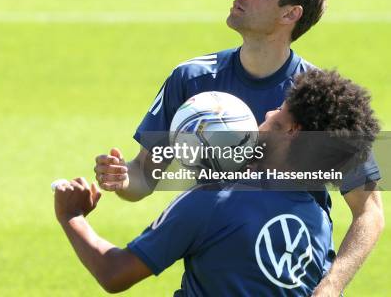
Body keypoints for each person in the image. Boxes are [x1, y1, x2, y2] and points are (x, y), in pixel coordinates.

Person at [93, 0, 384, 295]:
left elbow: (369, 211)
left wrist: (332, 284)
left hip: (284, 276)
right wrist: (122, 177)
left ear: (290, 14)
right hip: (213, 271)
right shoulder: (191, 79)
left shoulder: (318, 98)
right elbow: (145, 175)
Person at [56, 69, 380, 295]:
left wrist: (72, 216)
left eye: (279, 110)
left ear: (292, 130)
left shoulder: (213, 201)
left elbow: (115, 273)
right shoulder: (317, 222)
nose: (267, 112)